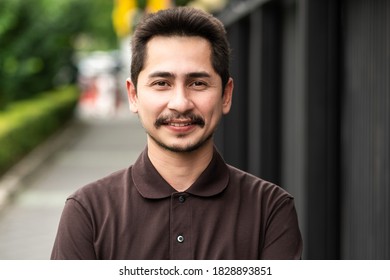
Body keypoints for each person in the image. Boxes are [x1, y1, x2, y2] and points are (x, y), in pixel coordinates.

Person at [51, 7, 302, 260]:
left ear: (226, 95)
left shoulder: (270, 209)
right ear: (133, 95)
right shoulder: (88, 211)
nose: (180, 103)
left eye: (198, 83)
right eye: (162, 83)